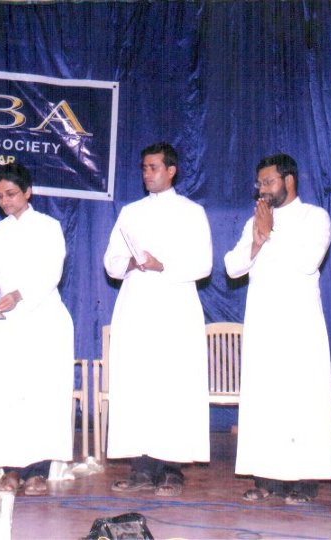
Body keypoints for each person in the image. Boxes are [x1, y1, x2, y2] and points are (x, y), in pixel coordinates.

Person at [224, 153, 331, 505]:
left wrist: (271, 233)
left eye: (269, 182)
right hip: (263, 322)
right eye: (259, 183)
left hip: (299, 324)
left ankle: (304, 480)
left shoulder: (315, 217)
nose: (263, 189)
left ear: (289, 181)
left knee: (301, 399)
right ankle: (266, 477)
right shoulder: (254, 221)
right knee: (265, 399)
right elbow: (232, 267)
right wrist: (257, 240)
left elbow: (308, 262)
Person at [103, 142, 212, 497]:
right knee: (137, 384)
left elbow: (203, 264)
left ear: (171, 170)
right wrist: (133, 263)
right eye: (144, 168)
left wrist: (161, 264)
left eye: (153, 167)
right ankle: (141, 468)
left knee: (171, 385)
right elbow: (111, 262)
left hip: (175, 307)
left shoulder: (192, 212)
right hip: (136, 306)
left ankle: (171, 470)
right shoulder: (130, 212)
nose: (147, 174)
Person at [0, 163, 74, 496]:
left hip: (43, 320)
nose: (5, 201)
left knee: (41, 394)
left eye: (11, 194)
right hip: (8, 323)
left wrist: (19, 295)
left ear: (28, 192)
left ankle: (38, 471)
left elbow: (51, 273)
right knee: (7, 395)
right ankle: (11, 470)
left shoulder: (49, 227)